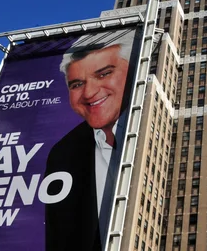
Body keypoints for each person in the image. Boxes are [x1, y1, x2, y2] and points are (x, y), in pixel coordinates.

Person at [44, 30, 137, 251]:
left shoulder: (150, 118)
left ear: (134, 69)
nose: (89, 93)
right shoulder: (62, 153)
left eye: (104, 73)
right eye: (76, 84)